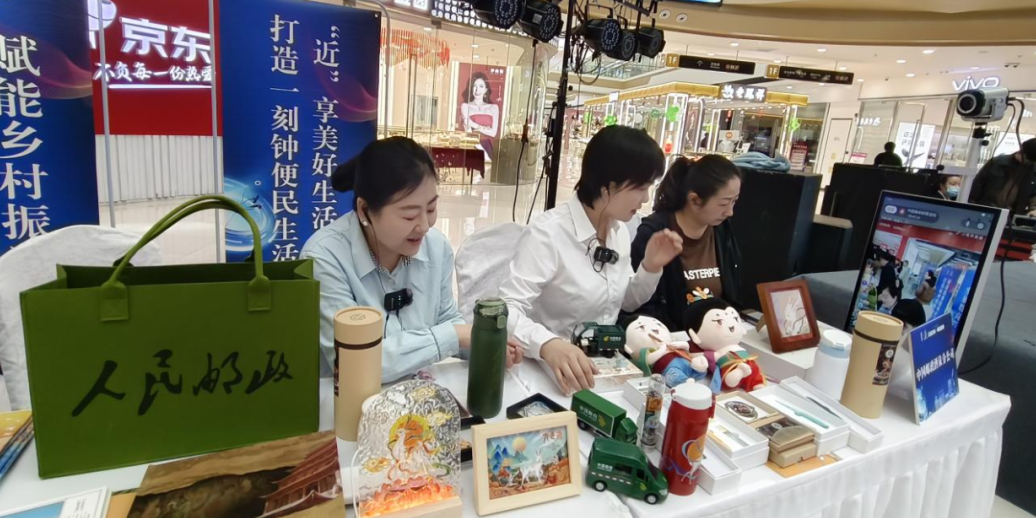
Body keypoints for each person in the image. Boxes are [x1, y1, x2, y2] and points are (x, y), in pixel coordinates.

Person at [303, 137, 522, 382]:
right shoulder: (325, 257)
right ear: (365, 210)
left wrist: (484, 346)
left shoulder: (436, 247)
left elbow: (446, 319)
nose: (425, 226)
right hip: (349, 400)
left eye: (430, 209)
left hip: (420, 395)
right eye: (409, 216)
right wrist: (455, 335)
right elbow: (354, 363)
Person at [499, 126, 683, 395]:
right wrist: (547, 344)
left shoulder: (619, 231)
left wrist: (651, 267)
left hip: (600, 368)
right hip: (544, 371)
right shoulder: (548, 233)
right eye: (641, 188)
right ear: (608, 187)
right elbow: (505, 309)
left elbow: (625, 301)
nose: (646, 199)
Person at [628, 155, 742, 332]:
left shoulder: (722, 230)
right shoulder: (656, 232)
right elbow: (641, 304)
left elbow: (731, 292)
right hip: (671, 337)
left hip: (719, 334)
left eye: (734, 201)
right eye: (724, 204)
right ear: (694, 200)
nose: (730, 212)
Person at [969, 138, 1036, 216]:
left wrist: (1034, 209)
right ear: (1022, 151)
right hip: (986, 209)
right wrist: (971, 204)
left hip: (1012, 215)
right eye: (1028, 159)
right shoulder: (997, 163)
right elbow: (977, 184)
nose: (1029, 163)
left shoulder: (1035, 171)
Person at [460, 71, 499, 158]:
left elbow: (493, 133)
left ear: (486, 89)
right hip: (472, 145)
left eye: (481, 86)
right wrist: (485, 128)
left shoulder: (493, 107)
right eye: (474, 86)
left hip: (488, 146)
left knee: (488, 166)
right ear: (471, 88)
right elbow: (468, 131)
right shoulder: (465, 106)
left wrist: (474, 125)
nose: (477, 90)